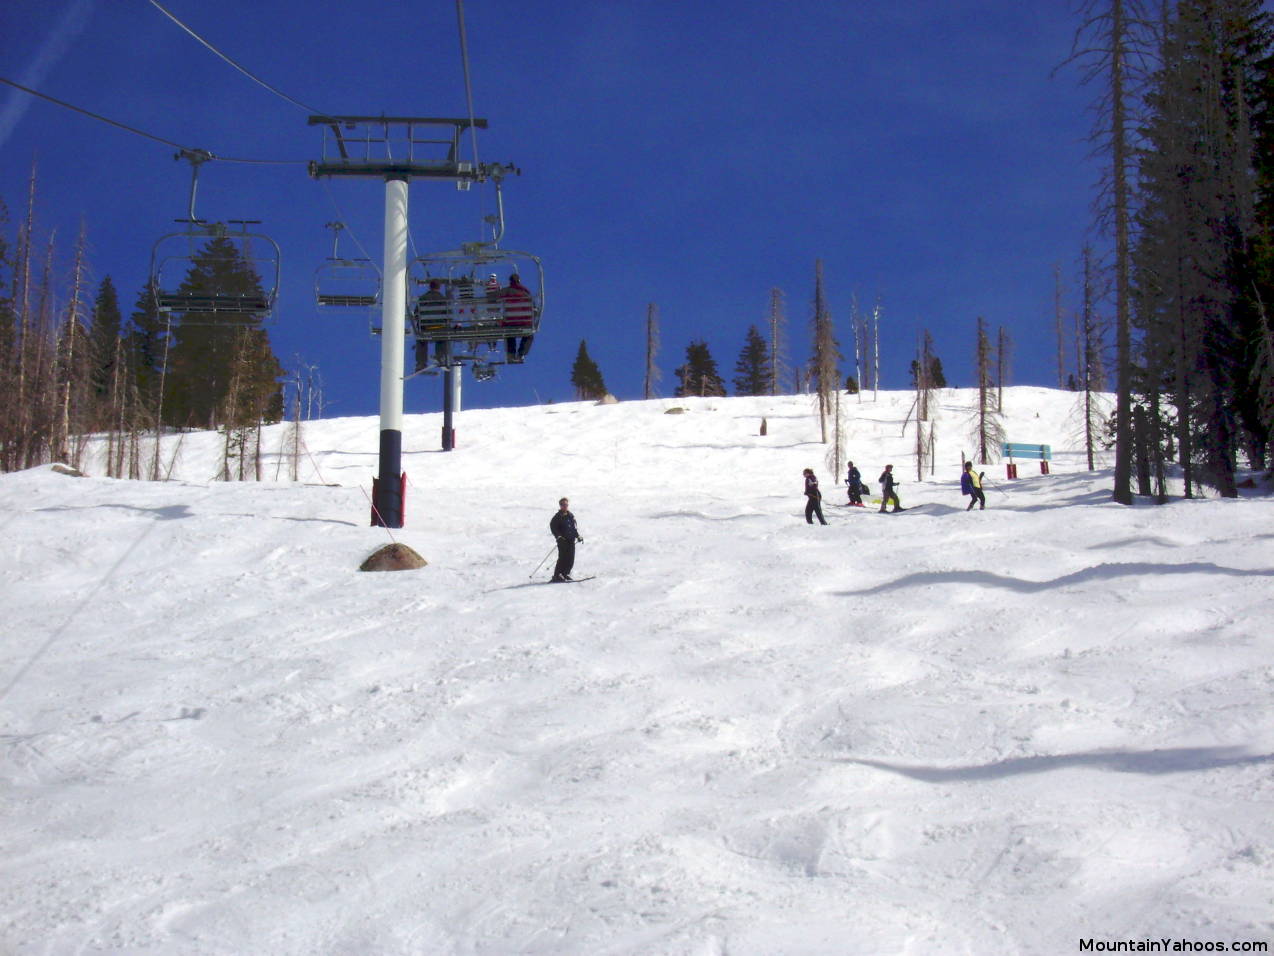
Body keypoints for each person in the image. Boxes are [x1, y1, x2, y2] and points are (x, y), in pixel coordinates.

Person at [413, 279, 449, 371]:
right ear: (439, 287)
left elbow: (416, 313)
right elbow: (448, 314)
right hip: (440, 328)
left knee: (421, 341)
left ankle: (421, 362)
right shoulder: (443, 299)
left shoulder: (423, 298)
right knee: (442, 339)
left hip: (425, 328)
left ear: (430, 287)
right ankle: (440, 357)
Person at [502, 272, 535, 362]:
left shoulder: (506, 291)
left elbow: (492, 296)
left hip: (510, 322)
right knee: (529, 335)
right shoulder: (526, 292)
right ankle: (521, 354)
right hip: (524, 322)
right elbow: (533, 307)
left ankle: (511, 354)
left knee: (509, 334)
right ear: (519, 281)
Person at [549, 496, 583, 582]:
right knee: (562, 558)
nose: (565, 506)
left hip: (571, 540)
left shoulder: (570, 515)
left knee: (570, 558)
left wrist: (578, 536)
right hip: (563, 541)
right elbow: (553, 527)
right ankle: (557, 575)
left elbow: (573, 528)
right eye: (563, 504)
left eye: (566, 504)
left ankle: (565, 574)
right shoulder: (557, 517)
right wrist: (558, 536)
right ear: (560, 505)